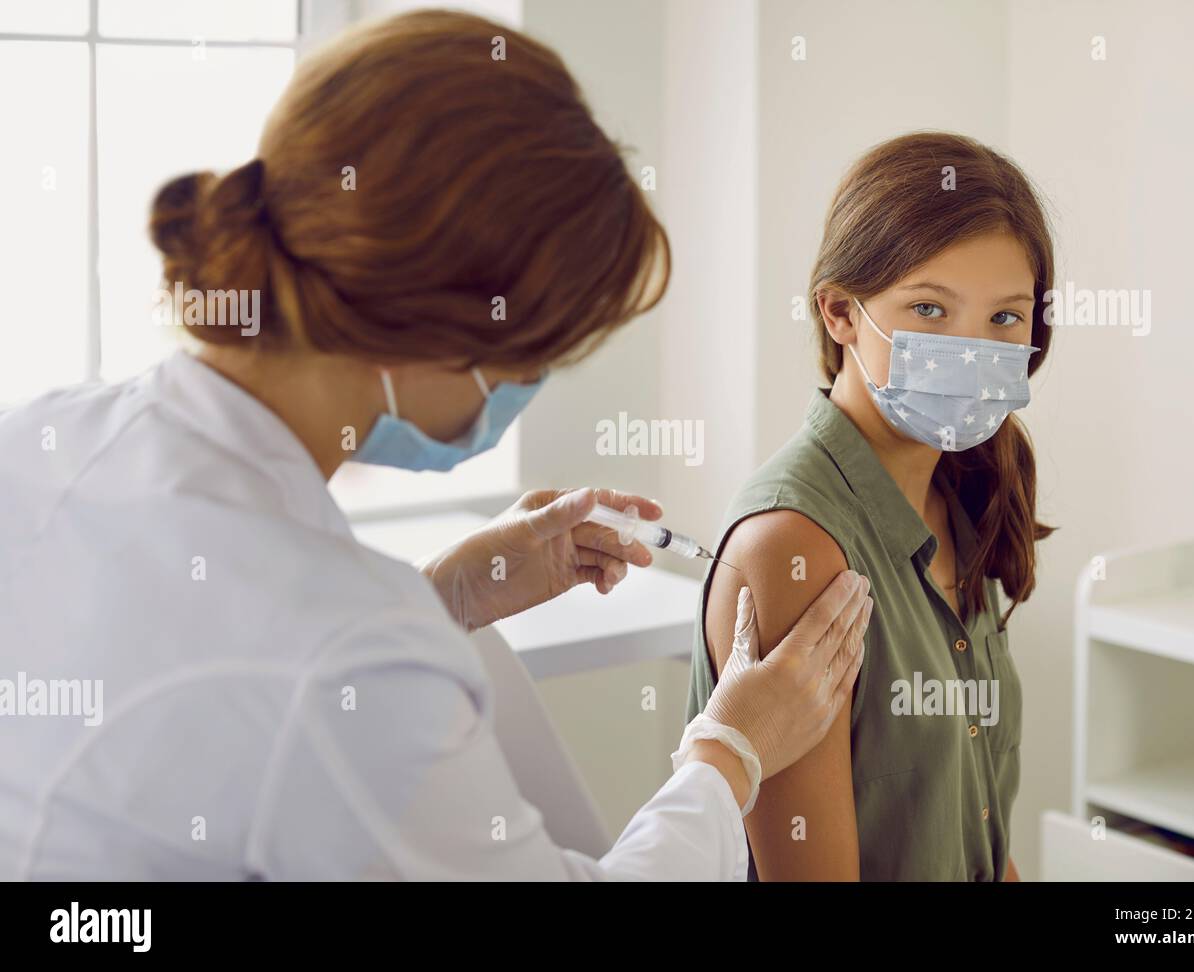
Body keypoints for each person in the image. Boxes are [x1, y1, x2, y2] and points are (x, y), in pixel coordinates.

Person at [0, 10, 872, 881]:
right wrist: (731, 755)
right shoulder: (346, 657)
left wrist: (444, 593)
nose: (530, 385)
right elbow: (306, 685)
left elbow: (210, 697)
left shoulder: (44, 437)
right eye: (535, 350)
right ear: (429, 329)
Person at [687, 132, 1056, 880]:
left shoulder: (963, 498)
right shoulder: (793, 548)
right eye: (928, 307)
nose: (973, 349)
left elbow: (971, 826)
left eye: (1005, 318)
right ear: (840, 313)